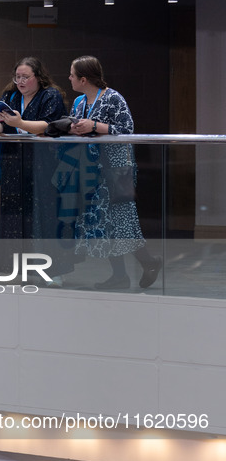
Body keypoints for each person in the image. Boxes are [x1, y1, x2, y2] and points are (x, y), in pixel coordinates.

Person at [68, 55, 162, 290]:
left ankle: (149, 261)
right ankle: (119, 275)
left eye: (72, 74)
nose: (68, 78)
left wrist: (95, 127)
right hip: (92, 168)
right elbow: (78, 128)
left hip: (116, 168)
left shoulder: (113, 98)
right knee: (104, 222)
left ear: (83, 78)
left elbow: (127, 129)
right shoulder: (79, 102)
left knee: (122, 220)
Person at [0, 56, 67, 247]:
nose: (20, 81)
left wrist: (20, 123)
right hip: (14, 162)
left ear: (38, 77)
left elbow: (49, 126)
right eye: (17, 77)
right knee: (13, 213)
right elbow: (0, 130)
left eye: (25, 77)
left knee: (44, 212)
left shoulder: (50, 96)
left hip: (43, 163)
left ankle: (49, 268)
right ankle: (15, 265)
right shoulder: (9, 97)